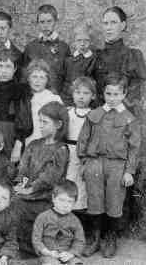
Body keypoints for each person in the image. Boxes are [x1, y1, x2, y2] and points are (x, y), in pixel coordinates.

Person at [77, 76, 141, 258]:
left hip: (117, 165)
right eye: (108, 93)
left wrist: (129, 171)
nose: (112, 98)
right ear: (103, 93)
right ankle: (95, 238)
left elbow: (134, 147)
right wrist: (84, 162)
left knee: (114, 202)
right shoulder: (94, 115)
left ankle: (110, 237)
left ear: (124, 94)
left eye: (116, 94)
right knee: (95, 201)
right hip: (94, 163)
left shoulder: (129, 119)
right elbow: (83, 139)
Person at [13, 101, 69, 255]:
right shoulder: (33, 144)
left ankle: (32, 248)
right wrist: (21, 185)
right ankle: (18, 245)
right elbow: (23, 168)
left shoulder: (61, 149)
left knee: (17, 203)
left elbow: (49, 178)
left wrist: (30, 189)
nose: (41, 125)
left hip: (45, 197)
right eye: (40, 121)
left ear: (58, 124)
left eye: (45, 122)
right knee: (10, 197)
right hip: (29, 192)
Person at [92, 6, 146, 111]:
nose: (109, 27)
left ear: (122, 25)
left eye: (113, 22)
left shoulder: (133, 55)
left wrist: (118, 108)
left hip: (123, 116)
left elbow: (136, 90)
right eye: (105, 23)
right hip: (99, 115)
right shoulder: (96, 55)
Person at [32, 180, 85, 265]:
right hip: (48, 254)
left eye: (70, 201)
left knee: (77, 263)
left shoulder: (75, 220)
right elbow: (36, 240)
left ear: (75, 203)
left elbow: (80, 240)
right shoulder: (43, 217)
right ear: (53, 198)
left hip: (67, 253)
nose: (65, 205)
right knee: (51, 263)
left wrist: (71, 253)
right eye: (62, 200)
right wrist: (47, 252)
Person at [22, 4, 71, 94]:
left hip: (56, 96)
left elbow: (68, 77)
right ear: (38, 23)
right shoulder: (30, 47)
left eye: (49, 21)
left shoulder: (64, 47)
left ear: (55, 22)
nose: (45, 25)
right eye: (42, 22)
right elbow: (24, 76)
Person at [65, 77, 96, 213]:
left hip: (85, 153)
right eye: (78, 92)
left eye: (86, 93)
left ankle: (82, 216)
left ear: (93, 96)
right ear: (72, 94)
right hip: (68, 152)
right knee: (68, 181)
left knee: (82, 185)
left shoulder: (94, 115)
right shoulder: (67, 112)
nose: (81, 97)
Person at [24, 59, 62, 146]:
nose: (38, 81)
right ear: (28, 78)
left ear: (47, 80)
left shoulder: (53, 98)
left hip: (45, 144)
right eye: (34, 77)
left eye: (42, 77)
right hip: (26, 143)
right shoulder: (23, 97)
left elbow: (59, 127)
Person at [61, 24, 97, 105]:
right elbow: (65, 81)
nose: (82, 43)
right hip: (68, 100)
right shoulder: (68, 60)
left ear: (91, 42)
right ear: (74, 42)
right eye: (79, 40)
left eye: (86, 40)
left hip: (86, 101)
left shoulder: (94, 59)